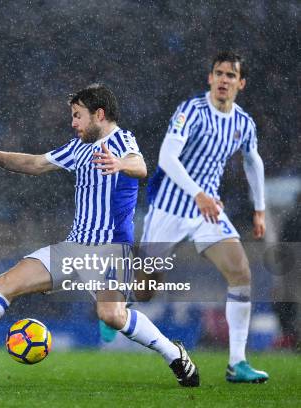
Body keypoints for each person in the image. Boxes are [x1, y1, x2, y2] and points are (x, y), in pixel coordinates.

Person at [0, 84, 200, 387]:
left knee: (112, 316)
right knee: (5, 284)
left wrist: (120, 163)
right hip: (73, 248)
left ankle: (173, 353)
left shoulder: (121, 141)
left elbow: (140, 166)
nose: (73, 123)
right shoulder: (78, 146)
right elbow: (35, 164)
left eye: (77, 116)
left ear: (99, 114)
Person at [140, 51, 268, 383]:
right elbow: (167, 157)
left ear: (241, 83)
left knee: (241, 272)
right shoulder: (191, 111)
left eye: (230, 75)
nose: (224, 80)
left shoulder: (243, 122)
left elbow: (253, 161)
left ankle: (236, 363)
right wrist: (197, 193)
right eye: (219, 73)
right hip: (170, 207)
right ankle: (111, 308)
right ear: (210, 78)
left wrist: (260, 209)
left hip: (207, 212)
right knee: (145, 290)